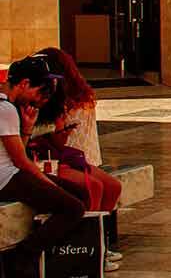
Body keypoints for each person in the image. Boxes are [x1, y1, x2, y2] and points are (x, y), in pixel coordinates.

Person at [31, 48, 123, 272]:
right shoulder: (45, 97)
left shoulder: (70, 98)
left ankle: (98, 241)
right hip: (53, 159)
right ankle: (87, 247)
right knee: (94, 186)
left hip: (72, 157)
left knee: (112, 186)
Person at [0, 55, 86, 278]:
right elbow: (20, 161)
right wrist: (49, 184)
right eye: (40, 91)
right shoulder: (6, 109)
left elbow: (15, 149)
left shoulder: (7, 107)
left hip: (11, 173)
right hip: (6, 178)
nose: (41, 98)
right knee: (73, 207)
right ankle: (24, 257)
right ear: (24, 84)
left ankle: (50, 257)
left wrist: (27, 128)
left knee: (78, 192)